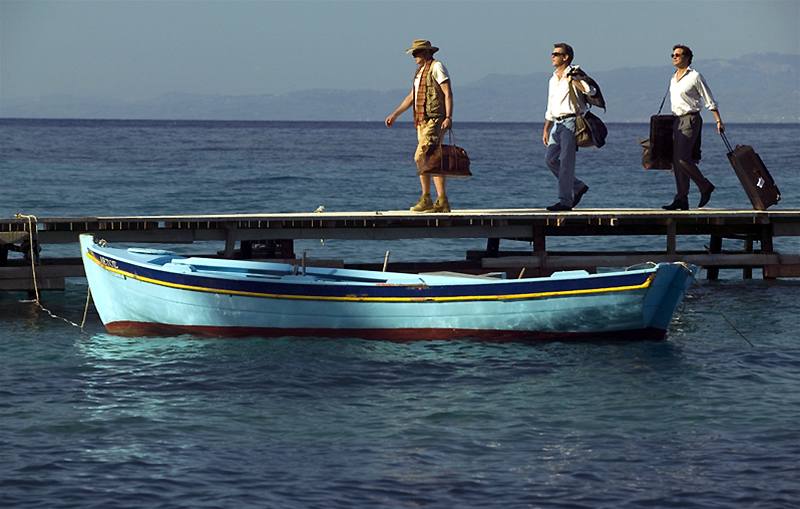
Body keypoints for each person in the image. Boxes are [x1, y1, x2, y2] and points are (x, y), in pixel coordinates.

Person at [385, 39, 454, 213]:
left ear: (426, 52)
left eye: (417, 52)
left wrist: (448, 116)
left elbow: (447, 92)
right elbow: (412, 97)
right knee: (432, 159)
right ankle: (440, 200)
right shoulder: (419, 72)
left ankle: (428, 198)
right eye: (413, 53)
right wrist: (395, 114)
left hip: (434, 120)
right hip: (421, 121)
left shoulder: (437, 67)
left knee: (421, 156)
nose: (414, 56)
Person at [662, 44, 725, 210]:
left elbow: (708, 98)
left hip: (690, 119)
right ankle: (681, 198)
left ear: (687, 58)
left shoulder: (695, 76)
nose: (674, 57)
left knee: (683, 158)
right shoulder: (673, 77)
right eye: (673, 55)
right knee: (676, 162)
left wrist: (718, 120)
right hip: (676, 121)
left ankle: (705, 186)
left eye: (678, 55)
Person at [542, 42, 594, 212]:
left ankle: (565, 201)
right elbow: (551, 105)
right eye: (552, 53)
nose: (552, 56)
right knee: (550, 160)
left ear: (565, 57)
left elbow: (591, 91)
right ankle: (577, 186)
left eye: (556, 54)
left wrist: (576, 81)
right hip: (557, 123)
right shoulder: (552, 79)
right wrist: (546, 128)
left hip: (571, 122)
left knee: (566, 163)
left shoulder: (574, 73)